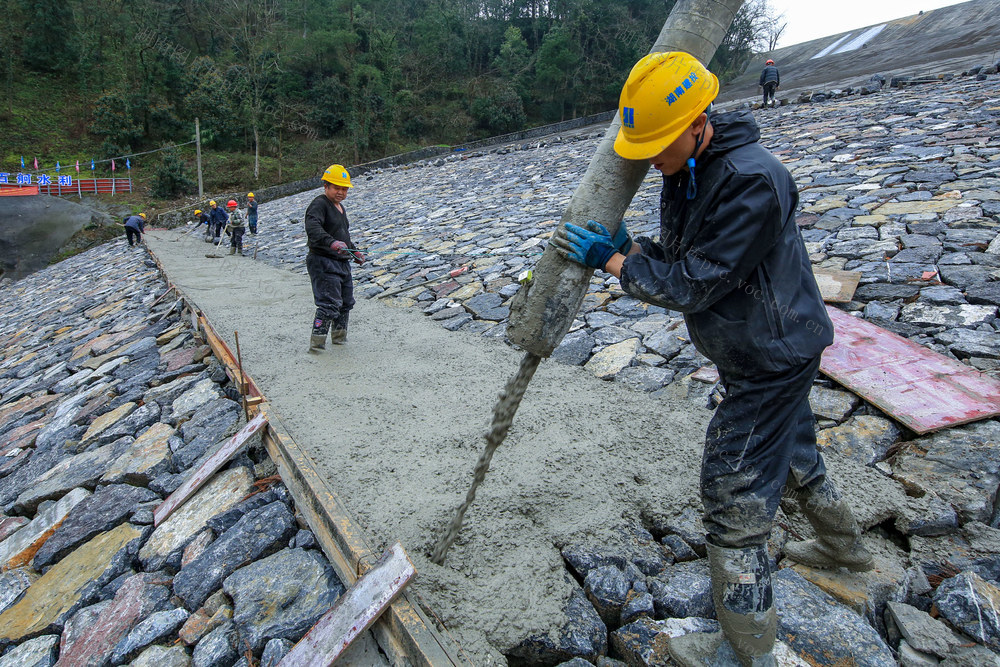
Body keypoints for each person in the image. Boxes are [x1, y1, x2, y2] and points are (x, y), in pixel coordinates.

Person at [552, 52, 872, 666]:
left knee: (733, 489)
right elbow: (678, 255)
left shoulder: (753, 179)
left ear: (699, 121)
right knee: (795, 451)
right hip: (759, 344)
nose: (648, 158)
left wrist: (614, 263)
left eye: (657, 143)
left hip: (772, 356)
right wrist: (634, 248)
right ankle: (846, 551)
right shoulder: (688, 168)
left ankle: (747, 648)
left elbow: (696, 283)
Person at [304, 164, 365, 352]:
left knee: (345, 303)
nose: (341, 192)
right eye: (336, 188)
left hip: (341, 263)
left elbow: (343, 235)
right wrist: (331, 243)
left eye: (344, 189)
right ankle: (317, 344)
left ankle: (339, 339)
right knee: (329, 303)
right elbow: (313, 228)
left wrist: (354, 252)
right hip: (323, 262)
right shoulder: (319, 204)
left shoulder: (341, 208)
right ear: (326, 186)